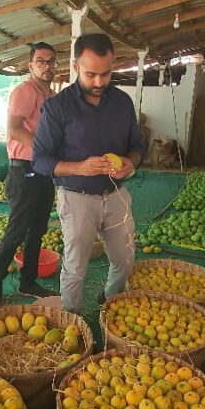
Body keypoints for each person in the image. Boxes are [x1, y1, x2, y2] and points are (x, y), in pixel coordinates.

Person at [32, 33, 146, 314]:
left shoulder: (122, 102)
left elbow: (137, 146)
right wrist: (80, 168)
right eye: (90, 74)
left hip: (116, 194)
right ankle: (73, 321)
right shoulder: (57, 108)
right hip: (77, 198)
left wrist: (131, 162)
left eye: (105, 74)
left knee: (125, 259)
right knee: (75, 268)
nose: (98, 82)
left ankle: (110, 300)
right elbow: (40, 160)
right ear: (75, 67)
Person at [0, 42, 59, 307]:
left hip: (43, 171)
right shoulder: (25, 91)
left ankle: (27, 281)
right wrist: (45, 150)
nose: (46, 66)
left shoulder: (51, 96)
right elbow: (15, 130)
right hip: (24, 170)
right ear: (31, 66)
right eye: (40, 61)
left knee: (37, 229)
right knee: (17, 230)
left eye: (51, 61)